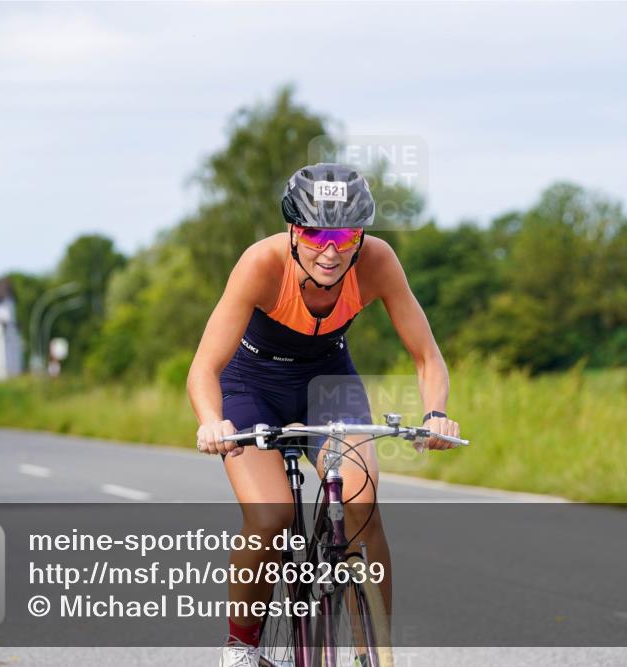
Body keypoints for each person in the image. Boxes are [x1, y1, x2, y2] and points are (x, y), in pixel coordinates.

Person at [187, 163, 462, 666]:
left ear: (361, 235)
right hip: (252, 385)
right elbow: (204, 367)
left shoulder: (377, 262)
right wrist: (212, 420)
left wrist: (437, 413)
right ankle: (242, 648)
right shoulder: (261, 264)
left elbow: (426, 355)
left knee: (361, 499)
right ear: (294, 229)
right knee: (272, 514)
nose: (331, 250)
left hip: (329, 381)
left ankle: (373, 652)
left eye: (345, 234)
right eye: (316, 234)